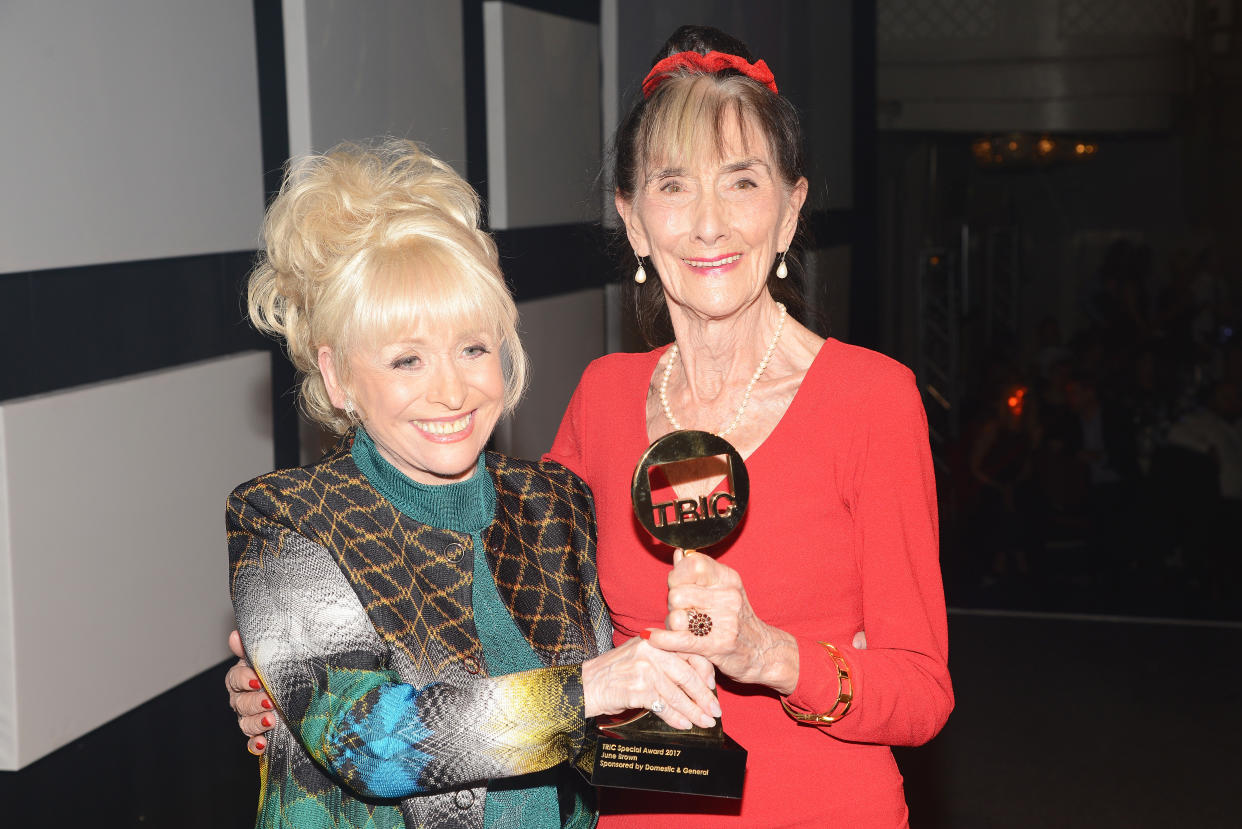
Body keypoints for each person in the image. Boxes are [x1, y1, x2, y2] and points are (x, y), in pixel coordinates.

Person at [231, 26, 953, 827]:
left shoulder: (871, 399)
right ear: (634, 221)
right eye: (674, 186)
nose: (708, 224)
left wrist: (771, 654)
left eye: (742, 182)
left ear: (790, 210)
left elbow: (922, 692)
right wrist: (293, 670)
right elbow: (488, 604)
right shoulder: (604, 398)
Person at [227, 138, 718, 829]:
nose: (452, 389)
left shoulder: (556, 504)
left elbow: (603, 734)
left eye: (472, 347)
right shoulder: (286, 521)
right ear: (338, 377)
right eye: (407, 359)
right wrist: (585, 691)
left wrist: (703, 666)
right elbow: (368, 742)